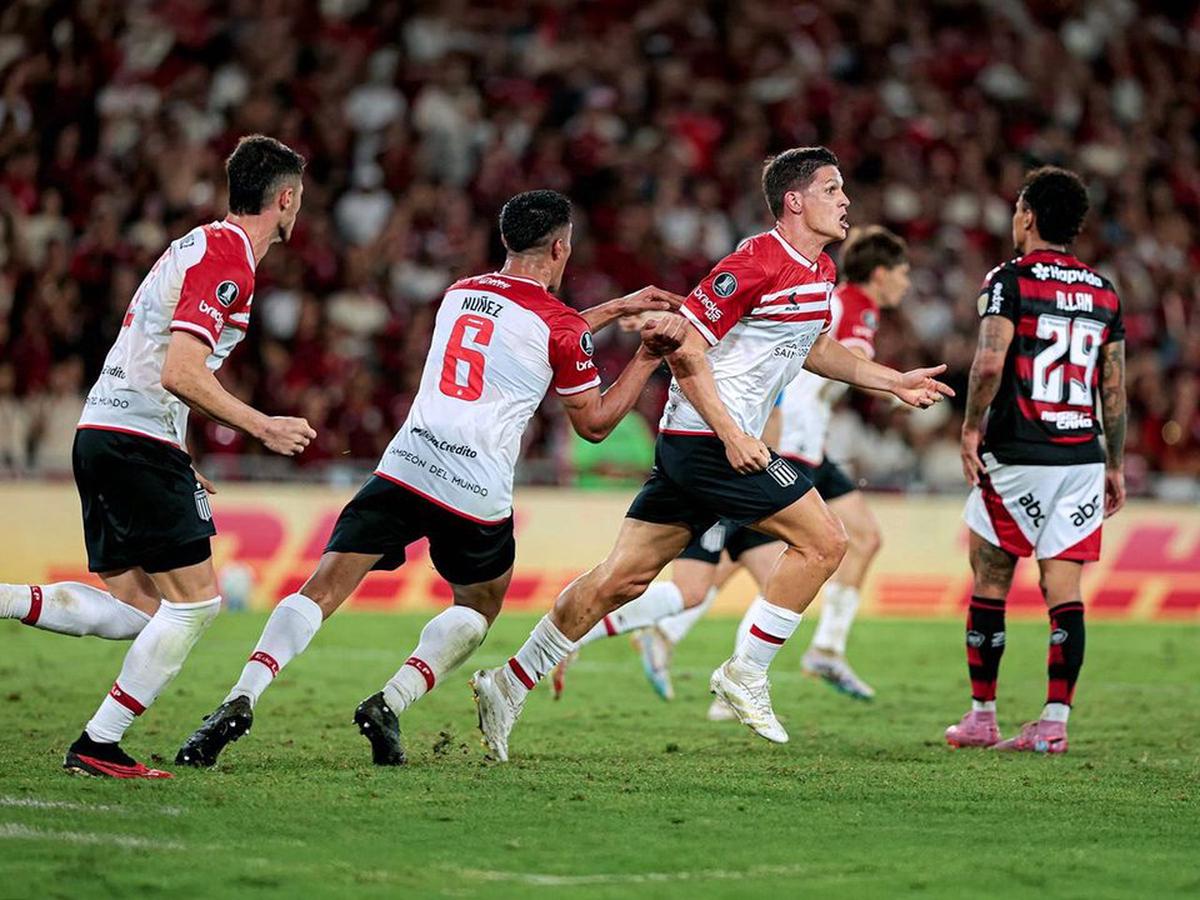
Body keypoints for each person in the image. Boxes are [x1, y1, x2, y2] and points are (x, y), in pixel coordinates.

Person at [175, 189, 687, 768]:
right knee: (480, 604)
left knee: (319, 590)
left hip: (407, 466)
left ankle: (241, 695)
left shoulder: (460, 294)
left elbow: (531, 335)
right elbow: (591, 422)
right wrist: (645, 358)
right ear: (561, 247)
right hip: (474, 490)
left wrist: (613, 310)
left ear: (507, 240)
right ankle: (390, 701)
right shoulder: (559, 326)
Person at [470, 147, 953, 761]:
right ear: (794, 202)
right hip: (706, 441)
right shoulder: (754, 261)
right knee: (827, 541)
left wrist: (892, 379)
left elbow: (814, 349)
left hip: (702, 446)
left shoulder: (820, 272)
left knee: (621, 580)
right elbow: (682, 344)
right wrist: (732, 434)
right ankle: (746, 672)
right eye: (832, 190)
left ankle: (507, 684)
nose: (846, 201)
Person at [0, 135, 314, 778]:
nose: (297, 211)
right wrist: (263, 426)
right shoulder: (229, 258)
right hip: (132, 439)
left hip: (104, 432)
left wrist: (176, 446)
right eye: (298, 199)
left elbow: (156, 361)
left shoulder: (196, 244)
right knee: (195, 604)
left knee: (138, 611)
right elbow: (178, 369)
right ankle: (98, 744)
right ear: (285, 198)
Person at [550, 227, 912, 708]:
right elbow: (828, 356)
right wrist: (889, 383)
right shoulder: (844, 302)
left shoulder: (813, 289)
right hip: (758, 446)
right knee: (760, 571)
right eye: (904, 273)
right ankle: (739, 675)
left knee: (729, 576)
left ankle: (802, 652)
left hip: (788, 446)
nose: (907, 283)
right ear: (883, 273)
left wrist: (668, 316)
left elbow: (736, 331)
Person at [945, 166, 1126, 754]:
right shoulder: (1105, 290)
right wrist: (1115, 464)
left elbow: (990, 363)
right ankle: (1053, 723)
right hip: (1081, 457)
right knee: (1064, 588)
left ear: (1026, 215)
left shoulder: (1009, 280)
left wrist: (971, 427)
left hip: (1019, 453)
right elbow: (1114, 389)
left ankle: (982, 716)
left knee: (992, 576)